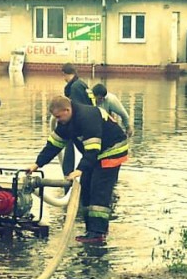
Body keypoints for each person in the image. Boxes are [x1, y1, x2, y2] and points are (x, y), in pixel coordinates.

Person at [27, 96, 128, 244]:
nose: (58, 120)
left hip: (111, 151)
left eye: (59, 116)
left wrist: (80, 169)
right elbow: (54, 145)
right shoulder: (66, 122)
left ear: (67, 110)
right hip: (96, 155)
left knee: (98, 191)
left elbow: (93, 148)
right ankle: (91, 230)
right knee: (85, 189)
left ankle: (98, 234)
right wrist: (37, 164)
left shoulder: (87, 117)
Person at [59, 63, 93, 175]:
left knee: (70, 149)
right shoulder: (81, 84)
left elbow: (77, 106)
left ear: (65, 73)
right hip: (88, 121)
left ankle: (68, 175)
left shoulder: (75, 87)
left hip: (80, 125)